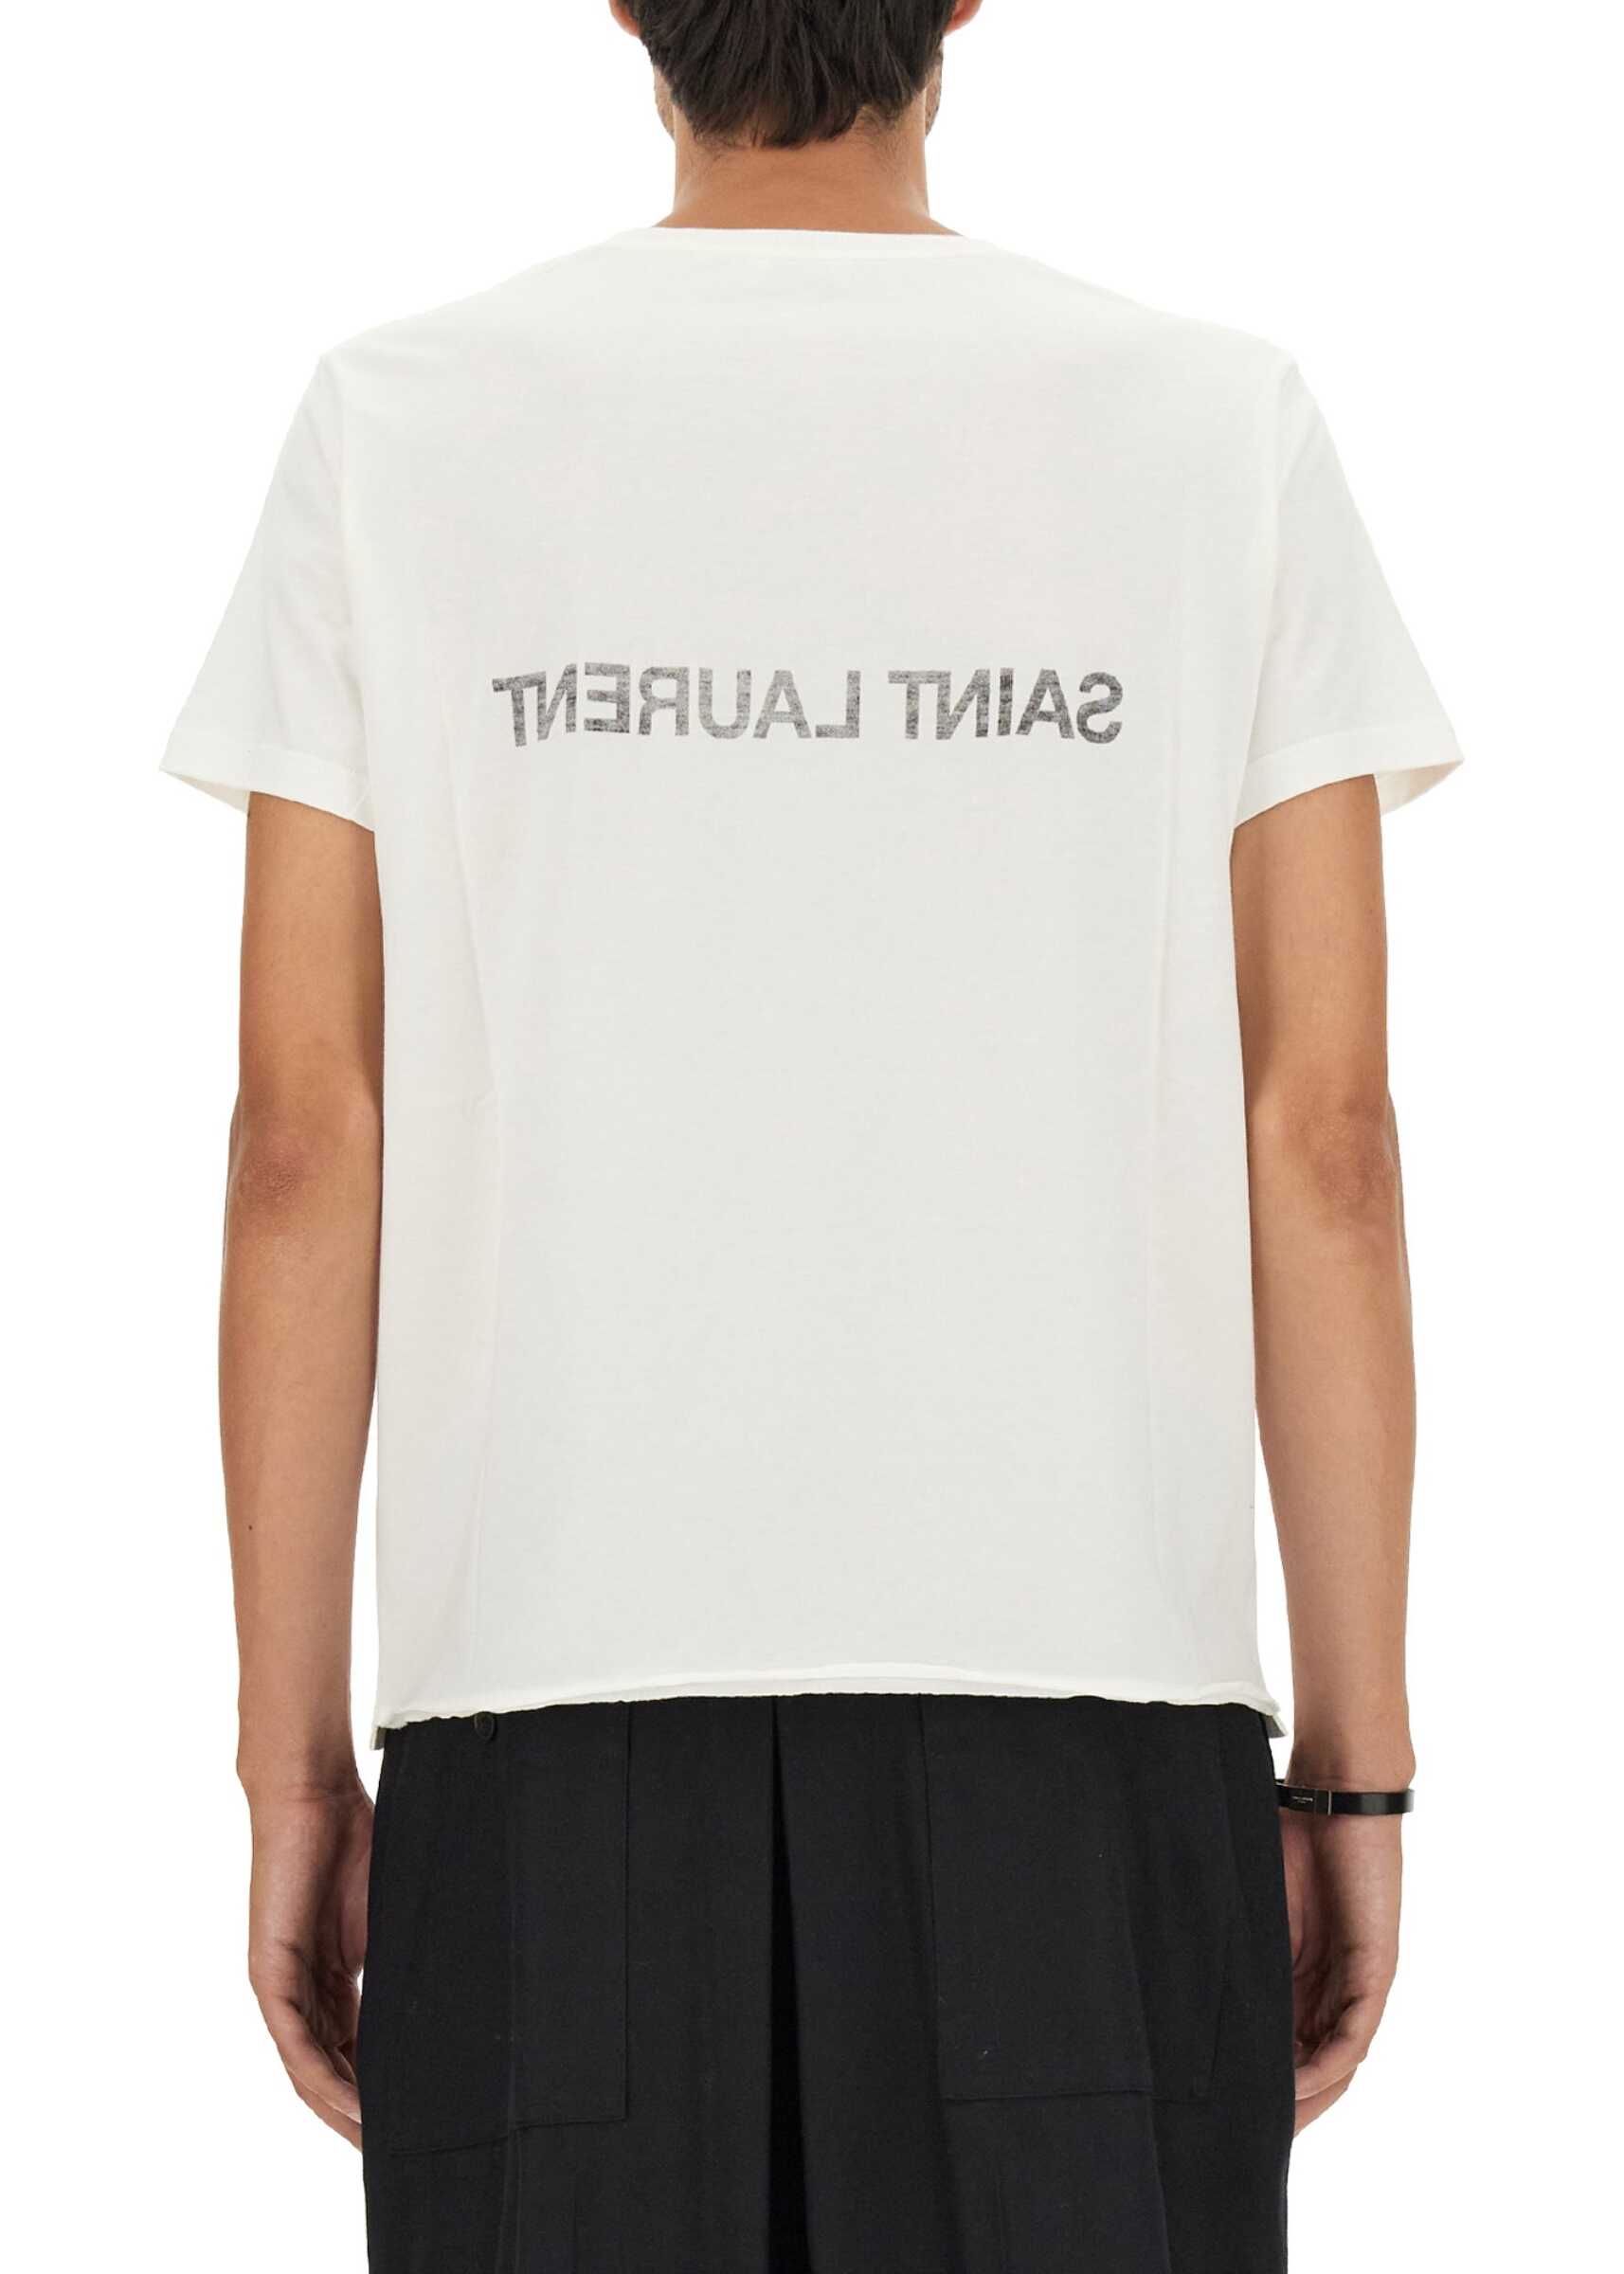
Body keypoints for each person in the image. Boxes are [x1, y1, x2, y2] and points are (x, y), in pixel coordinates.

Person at [161, 3, 1460, 2266]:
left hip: (544, 1736)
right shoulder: (1207, 424)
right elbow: (1319, 1136)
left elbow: (306, 1136)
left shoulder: (404, 423)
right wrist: (1349, 1766)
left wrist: (293, 1762)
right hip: (1086, 1725)